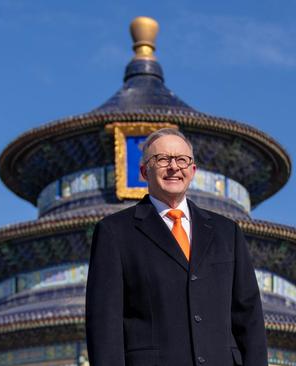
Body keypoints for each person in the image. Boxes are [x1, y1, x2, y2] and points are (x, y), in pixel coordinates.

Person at [85, 128, 267, 366]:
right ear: (143, 171)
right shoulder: (115, 232)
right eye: (162, 159)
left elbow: (249, 316)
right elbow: (104, 325)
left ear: (193, 170)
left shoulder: (227, 232)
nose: (174, 167)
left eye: (182, 159)